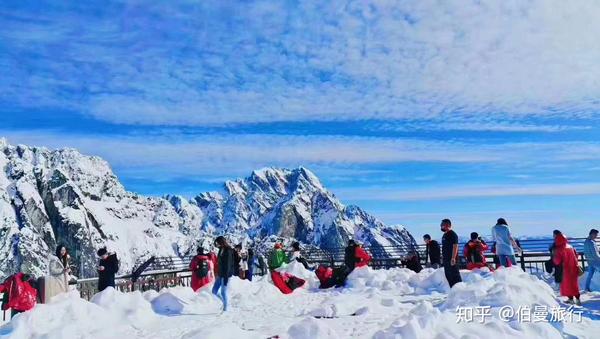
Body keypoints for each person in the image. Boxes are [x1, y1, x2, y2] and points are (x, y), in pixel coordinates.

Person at [552, 233, 581, 305]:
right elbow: (576, 256)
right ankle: (578, 299)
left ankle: (570, 299)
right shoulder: (570, 247)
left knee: (567, 285)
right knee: (574, 284)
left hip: (565, 270)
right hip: (574, 268)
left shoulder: (559, 249)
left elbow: (557, 261)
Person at [212, 236, 234, 312]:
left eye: (217, 243)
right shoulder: (221, 249)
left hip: (226, 275)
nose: (216, 244)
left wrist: (225, 277)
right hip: (220, 273)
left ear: (221, 242)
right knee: (214, 291)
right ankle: (225, 303)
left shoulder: (228, 250)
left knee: (223, 292)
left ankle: (225, 309)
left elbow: (228, 264)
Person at [441, 219, 462, 287]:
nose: (441, 226)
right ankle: (453, 290)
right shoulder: (444, 235)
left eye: (442, 225)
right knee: (448, 275)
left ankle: (460, 289)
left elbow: (455, 246)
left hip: (452, 258)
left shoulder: (453, 234)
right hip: (446, 258)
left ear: (448, 225)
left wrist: (453, 258)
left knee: (455, 275)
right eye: (441, 225)